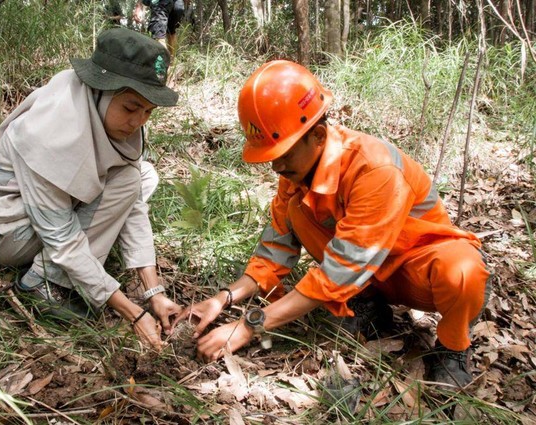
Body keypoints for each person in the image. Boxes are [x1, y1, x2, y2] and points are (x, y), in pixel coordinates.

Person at [174, 60, 492, 388]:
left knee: (463, 271)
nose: (276, 167)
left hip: (416, 272)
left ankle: (453, 347)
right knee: (297, 212)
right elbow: (274, 251)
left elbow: (341, 268)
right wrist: (223, 298)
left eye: (283, 154)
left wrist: (250, 325)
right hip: (367, 276)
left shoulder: (374, 169)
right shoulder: (296, 175)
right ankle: (368, 304)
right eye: (271, 157)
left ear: (319, 135)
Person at [0, 27, 182, 350]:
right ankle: (42, 283)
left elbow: (132, 203)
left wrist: (155, 292)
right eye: (130, 107)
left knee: (139, 177)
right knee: (126, 183)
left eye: (148, 112)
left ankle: (67, 271)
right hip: (4, 230)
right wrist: (132, 312)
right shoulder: (49, 132)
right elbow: (63, 239)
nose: (138, 121)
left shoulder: (100, 113)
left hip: (44, 214)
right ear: (100, 90)